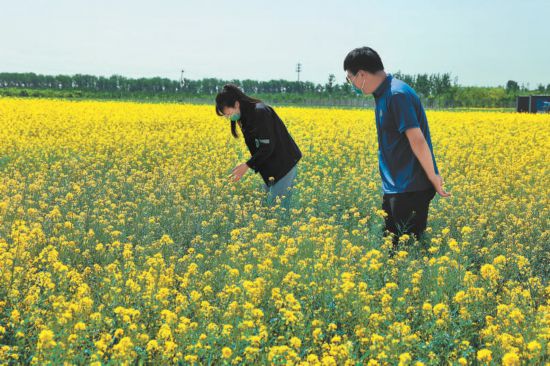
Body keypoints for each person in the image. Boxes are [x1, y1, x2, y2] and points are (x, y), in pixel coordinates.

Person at [343, 47, 451, 254]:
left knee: (407, 252)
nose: (352, 85)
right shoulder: (383, 94)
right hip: (396, 187)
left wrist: (434, 176)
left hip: (410, 188)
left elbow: (417, 139)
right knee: (392, 250)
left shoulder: (396, 94)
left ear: (362, 75)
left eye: (350, 79)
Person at [215, 84, 302, 208]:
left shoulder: (260, 112)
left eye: (229, 113)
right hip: (271, 167)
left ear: (236, 104)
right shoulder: (245, 117)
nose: (229, 118)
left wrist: (247, 165)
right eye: (226, 116)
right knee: (267, 208)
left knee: (277, 210)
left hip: (284, 165)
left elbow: (267, 146)